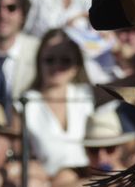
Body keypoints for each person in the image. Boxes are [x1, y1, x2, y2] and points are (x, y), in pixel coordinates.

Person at [18, 29, 96, 175]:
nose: (57, 66)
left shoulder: (86, 94)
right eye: (49, 60)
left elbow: (125, 87)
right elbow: (17, 152)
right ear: (39, 63)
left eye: (65, 61)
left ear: (76, 66)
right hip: (44, 180)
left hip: (84, 176)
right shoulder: (25, 103)